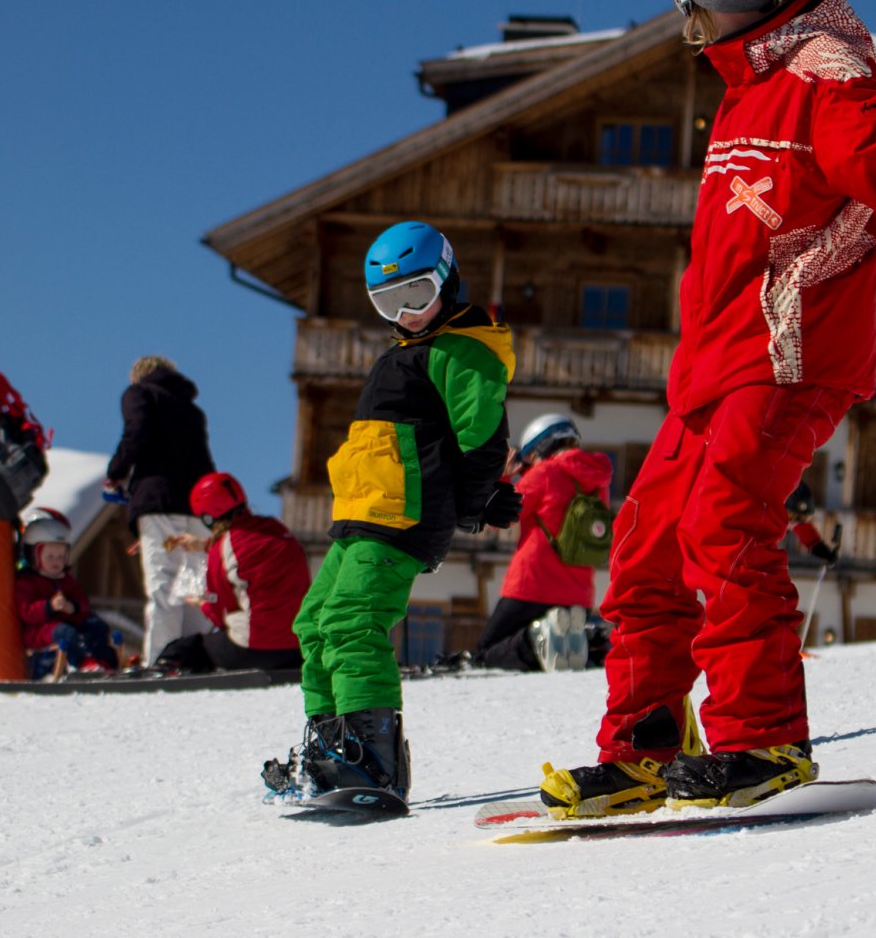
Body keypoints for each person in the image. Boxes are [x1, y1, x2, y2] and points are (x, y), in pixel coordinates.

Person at [539, 0, 876, 818]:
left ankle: (763, 737)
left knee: (727, 520)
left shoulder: (821, 70)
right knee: (646, 545)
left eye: (695, 10)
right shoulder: (742, 89)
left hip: (789, 347)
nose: (689, 33)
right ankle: (644, 745)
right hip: (714, 364)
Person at [262, 220, 521, 802]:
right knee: (315, 622)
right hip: (364, 513)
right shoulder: (411, 351)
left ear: (447, 279)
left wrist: (475, 503)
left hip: (401, 514)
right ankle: (330, 748)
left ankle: (372, 759)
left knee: (354, 622)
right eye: (389, 301)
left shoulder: (465, 350)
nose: (405, 313)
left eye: (417, 295)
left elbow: (480, 439)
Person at [476, 413, 612, 672]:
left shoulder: (546, 473)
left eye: (530, 459)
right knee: (556, 656)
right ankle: (588, 645)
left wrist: (504, 477)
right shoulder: (598, 482)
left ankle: (536, 641)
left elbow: (500, 515)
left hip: (532, 585)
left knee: (488, 651)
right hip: (578, 593)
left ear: (542, 447)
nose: (529, 466)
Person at [105, 354, 216, 665]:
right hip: (196, 506)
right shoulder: (193, 411)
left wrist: (115, 472)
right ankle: (197, 658)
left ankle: (162, 661)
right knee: (195, 584)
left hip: (158, 500)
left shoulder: (140, 393)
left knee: (164, 584)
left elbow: (135, 434)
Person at [154, 472, 309, 674]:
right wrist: (204, 545)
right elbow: (249, 546)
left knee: (185, 649)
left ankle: (162, 673)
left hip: (255, 647)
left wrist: (202, 603)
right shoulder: (277, 529)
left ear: (208, 517)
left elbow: (220, 613)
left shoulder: (224, 547)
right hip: (297, 648)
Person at [13, 514, 120, 676]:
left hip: (65, 622)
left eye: (61, 557)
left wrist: (73, 607)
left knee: (96, 625)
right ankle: (79, 664)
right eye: (50, 557)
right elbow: (26, 611)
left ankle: (106, 662)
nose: (57, 562)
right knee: (66, 633)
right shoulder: (26, 582)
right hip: (40, 630)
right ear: (33, 556)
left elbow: (82, 601)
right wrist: (49, 606)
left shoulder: (65, 579)